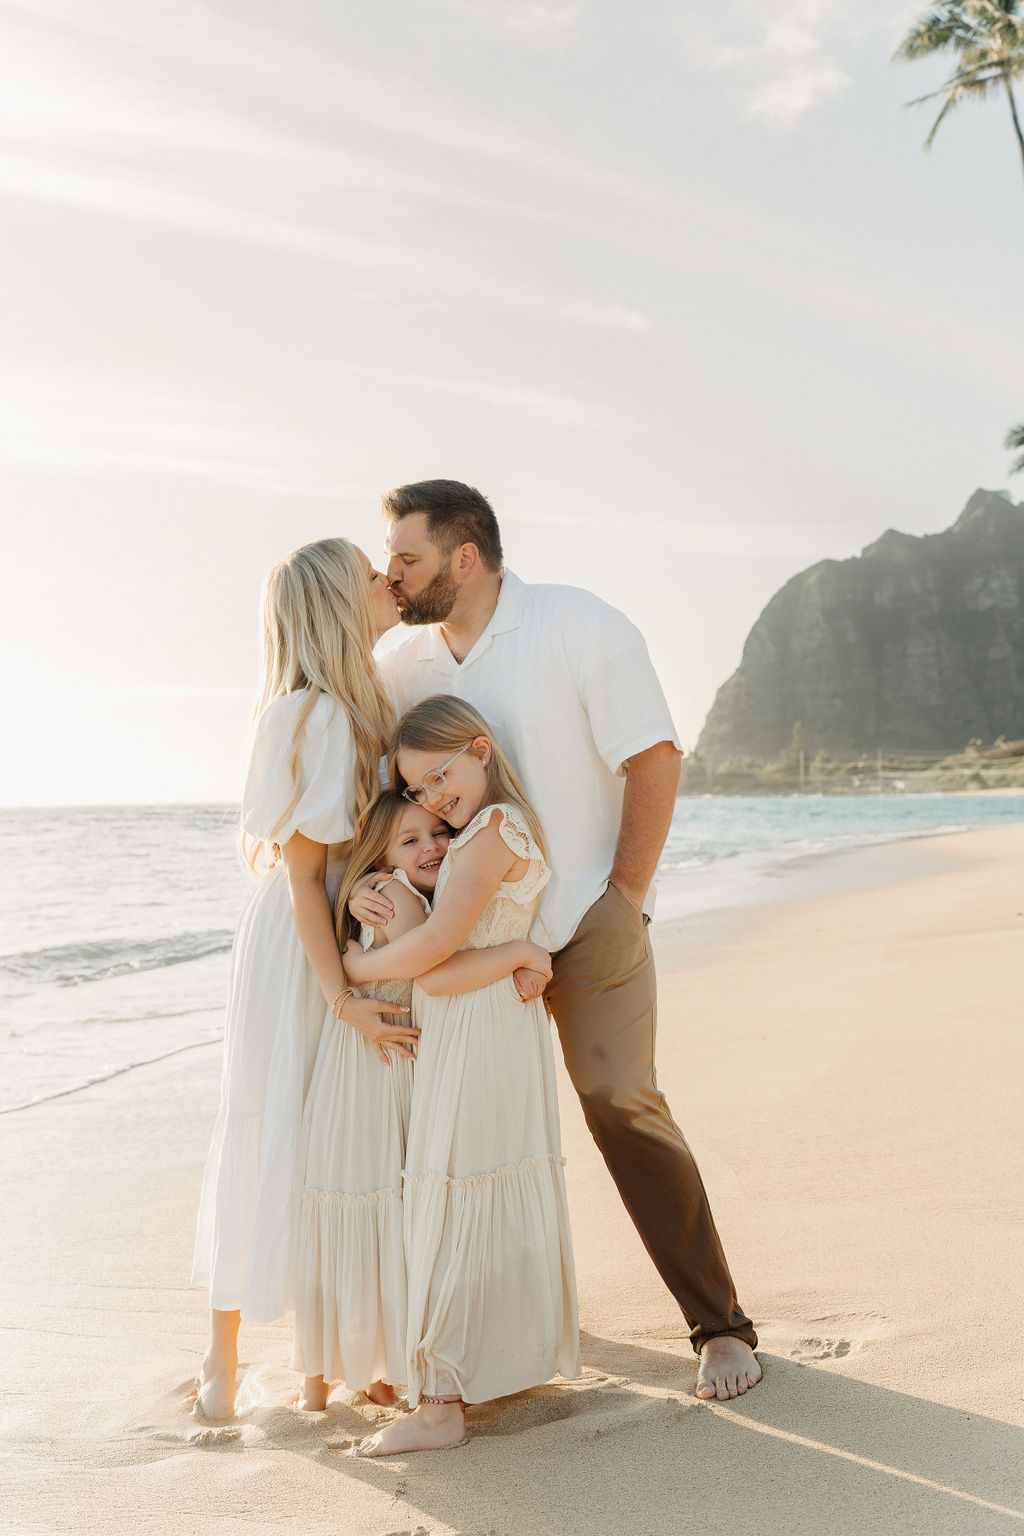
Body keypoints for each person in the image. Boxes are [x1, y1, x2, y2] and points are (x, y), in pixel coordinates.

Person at [355, 480, 761, 1402]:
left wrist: (624, 896)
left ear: (465, 558)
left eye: (408, 557)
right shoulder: (401, 663)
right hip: (461, 946)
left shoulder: (579, 623)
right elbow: (386, 792)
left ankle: (720, 1326)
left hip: (584, 916)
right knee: (460, 1130)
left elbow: (653, 756)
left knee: (620, 1099)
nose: (393, 574)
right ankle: (477, 1332)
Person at [190, 538, 420, 1421]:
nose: (385, 581)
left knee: (322, 1134)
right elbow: (298, 875)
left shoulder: (362, 700)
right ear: (335, 603)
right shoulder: (317, 714)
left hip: (333, 934)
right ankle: (222, 1356)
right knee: (269, 1117)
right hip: (305, 945)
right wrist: (345, 997)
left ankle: (330, 1354)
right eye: (369, 573)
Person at [344, 697, 580, 1456]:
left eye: (439, 777)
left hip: (478, 1030)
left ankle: (443, 1405)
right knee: (476, 1185)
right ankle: (493, 1368)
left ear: (481, 750)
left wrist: (350, 971)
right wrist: (516, 954)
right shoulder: (492, 826)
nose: (432, 800)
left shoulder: (490, 830)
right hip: (488, 1030)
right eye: (416, 791)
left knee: (452, 1196)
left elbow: (440, 964)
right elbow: (468, 945)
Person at [294, 791, 552, 1412]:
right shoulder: (403, 898)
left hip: (363, 1060)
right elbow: (436, 965)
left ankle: (329, 1372)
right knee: (380, 1204)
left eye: (437, 833)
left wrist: (357, 956)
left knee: (353, 1200)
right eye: (409, 840)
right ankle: (366, 1367)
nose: (432, 846)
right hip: (387, 1062)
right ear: (380, 853)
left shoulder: (392, 893)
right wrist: (521, 952)